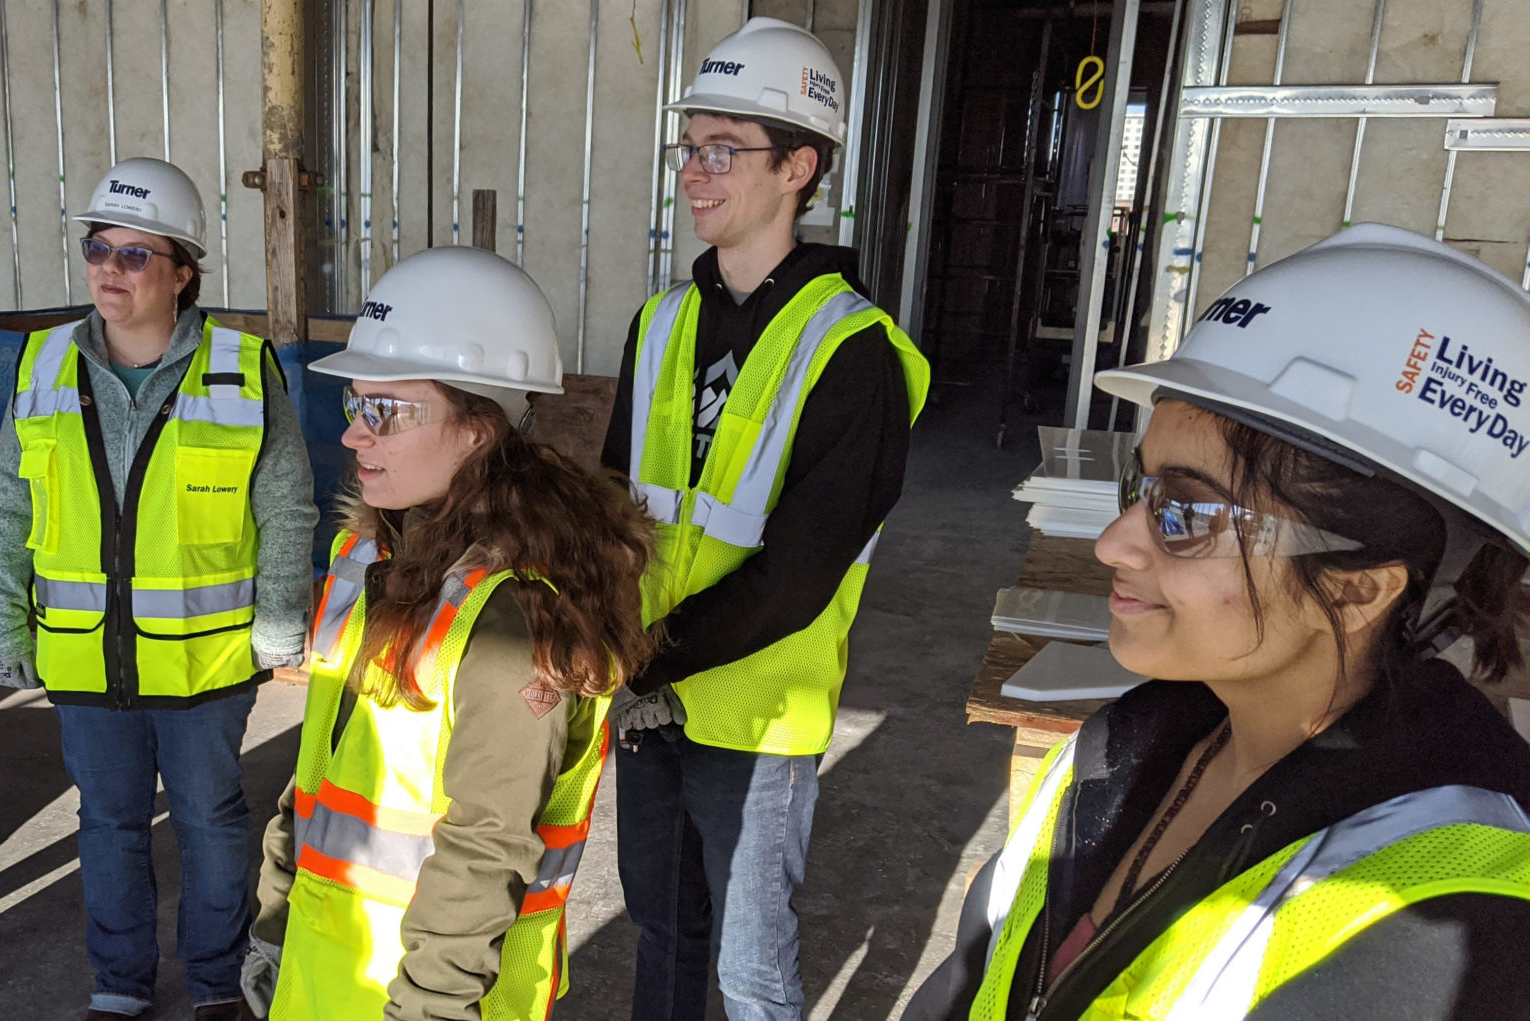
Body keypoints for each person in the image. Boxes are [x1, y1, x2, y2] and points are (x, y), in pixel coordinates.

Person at [902, 223, 1530, 1020]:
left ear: (1358, 588)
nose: (1112, 542)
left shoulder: (1448, 922)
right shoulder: (1117, 751)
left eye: (1187, 511)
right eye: (1142, 486)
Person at [599, 16, 930, 1021]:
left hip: (755, 713)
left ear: (798, 166)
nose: (695, 174)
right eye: (688, 147)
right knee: (660, 933)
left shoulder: (853, 350)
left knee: (750, 970)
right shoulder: (659, 322)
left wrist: (640, 660)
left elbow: (798, 573)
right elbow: (611, 505)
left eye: (722, 150)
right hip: (647, 694)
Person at [241, 246, 659, 1020]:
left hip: (426, 997)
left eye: (386, 410)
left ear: (478, 428)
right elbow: (321, 768)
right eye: (354, 405)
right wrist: (273, 914)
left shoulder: (516, 615)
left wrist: (428, 1009)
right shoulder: (369, 555)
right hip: (322, 962)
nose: (354, 437)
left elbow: (485, 846)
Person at [0, 156, 316, 1021]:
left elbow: (285, 503)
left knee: (211, 820)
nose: (108, 269)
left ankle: (215, 984)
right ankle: (118, 986)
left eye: (134, 255)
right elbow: (8, 506)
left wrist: (280, 619)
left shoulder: (244, 368)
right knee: (109, 823)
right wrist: (1, 623)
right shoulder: (44, 362)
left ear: (182, 271)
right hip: (85, 657)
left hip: (204, 666)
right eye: (98, 248)